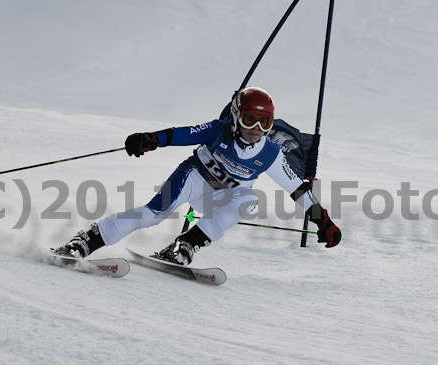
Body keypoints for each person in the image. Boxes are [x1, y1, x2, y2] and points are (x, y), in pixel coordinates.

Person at [53, 87, 341, 265]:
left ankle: (186, 244)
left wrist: (323, 221)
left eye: (264, 122)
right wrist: (150, 139)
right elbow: (182, 134)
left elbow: (298, 190)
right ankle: (85, 241)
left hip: (224, 195)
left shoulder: (270, 153)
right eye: (249, 119)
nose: (256, 127)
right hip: (193, 178)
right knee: (152, 215)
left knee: (247, 199)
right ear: (236, 116)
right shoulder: (219, 129)